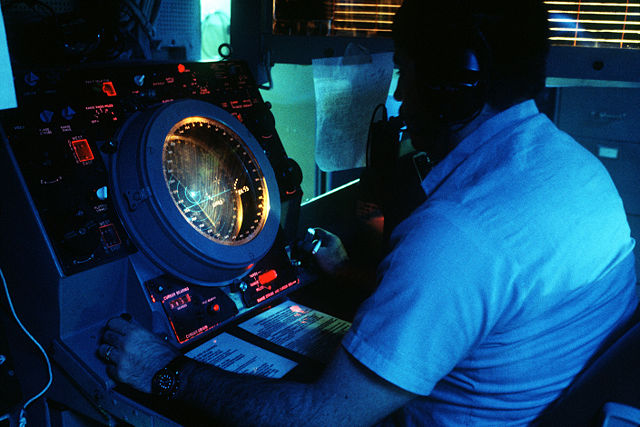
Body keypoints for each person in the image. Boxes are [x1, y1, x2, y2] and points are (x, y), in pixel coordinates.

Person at [99, 1, 639, 425]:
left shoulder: (457, 235)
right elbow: (485, 312)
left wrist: (162, 371)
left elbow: (318, 418)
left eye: (407, 74)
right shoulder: (575, 170)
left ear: (455, 85)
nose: (401, 96)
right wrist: (351, 276)